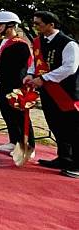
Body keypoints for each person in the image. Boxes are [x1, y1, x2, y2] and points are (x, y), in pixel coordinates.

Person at [24, 11, 78, 178]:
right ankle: (64, 157)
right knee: (56, 125)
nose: (35, 26)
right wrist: (30, 74)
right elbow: (36, 62)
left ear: (51, 25)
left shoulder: (69, 44)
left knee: (73, 129)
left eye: (38, 23)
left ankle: (76, 164)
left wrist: (45, 78)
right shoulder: (38, 42)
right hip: (48, 91)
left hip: (66, 92)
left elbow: (70, 67)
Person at [0, 12, 34, 155]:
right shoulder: (4, 42)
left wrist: (0, 79)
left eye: (0, 25)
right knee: (8, 114)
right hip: (2, 85)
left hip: (15, 85)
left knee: (19, 116)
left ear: (11, 25)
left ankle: (28, 145)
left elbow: (18, 67)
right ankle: (14, 141)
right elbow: (4, 61)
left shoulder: (21, 45)